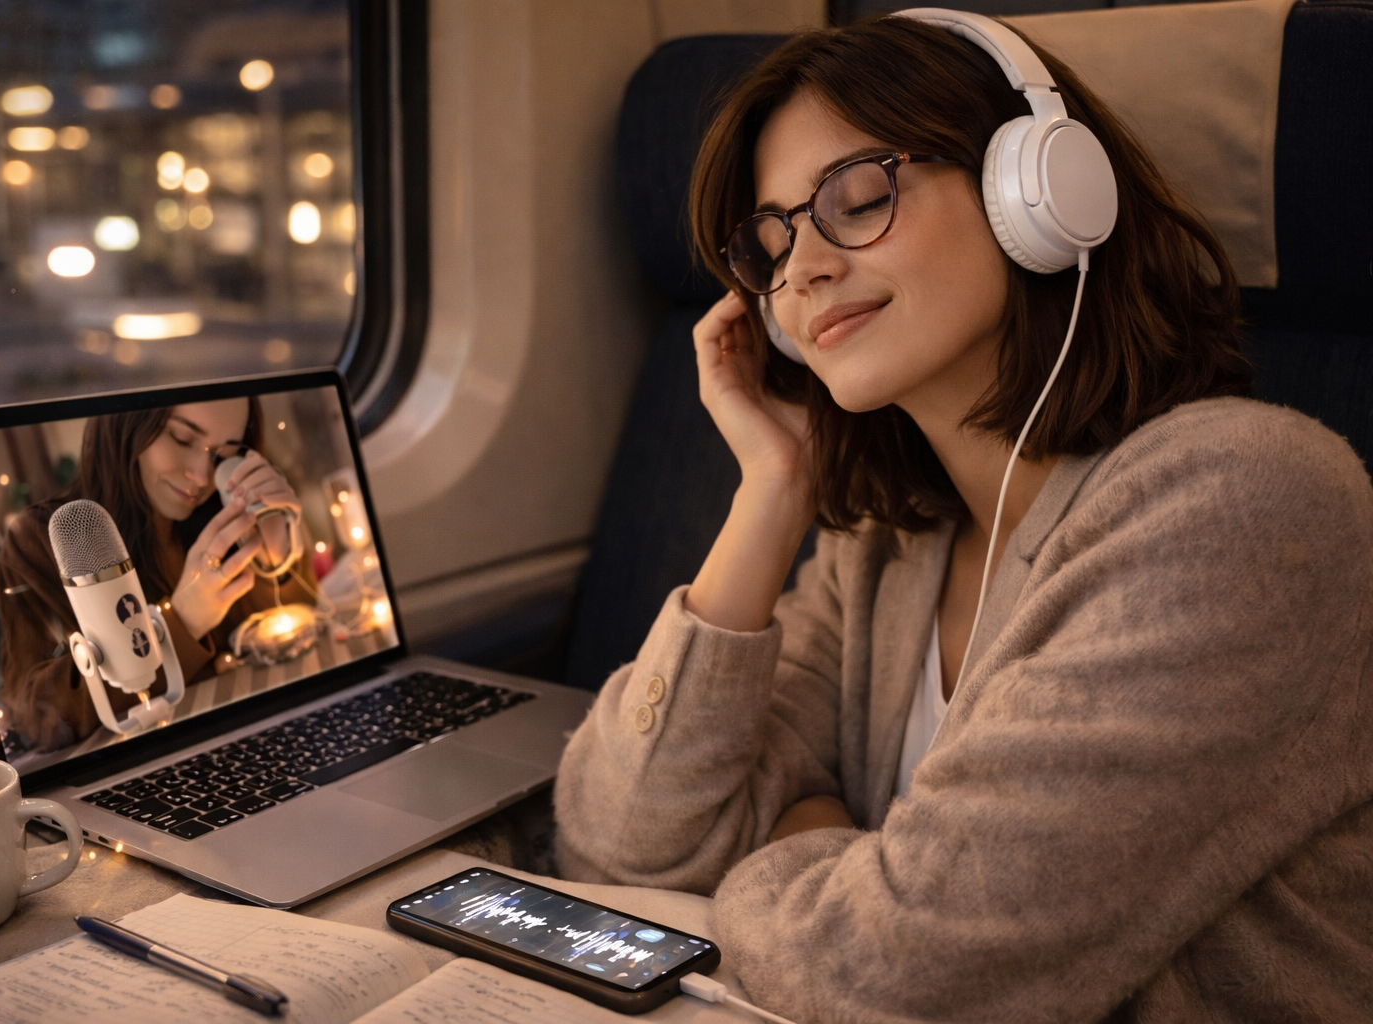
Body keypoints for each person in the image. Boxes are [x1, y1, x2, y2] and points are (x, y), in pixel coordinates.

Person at [553, 15, 1373, 1022]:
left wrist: (796, 838)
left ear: (1034, 189)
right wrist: (771, 491)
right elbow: (618, 840)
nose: (800, 270)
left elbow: (901, 979)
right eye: (770, 244)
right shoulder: (885, 551)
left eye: (857, 198)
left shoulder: (1244, 506)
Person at [0, 398, 312, 751]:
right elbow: (41, 721)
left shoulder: (219, 514)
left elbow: (293, 638)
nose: (202, 475)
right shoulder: (43, 539)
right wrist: (180, 623)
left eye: (222, 454)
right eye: (181, 437)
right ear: (126, 422)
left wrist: (276, 552)